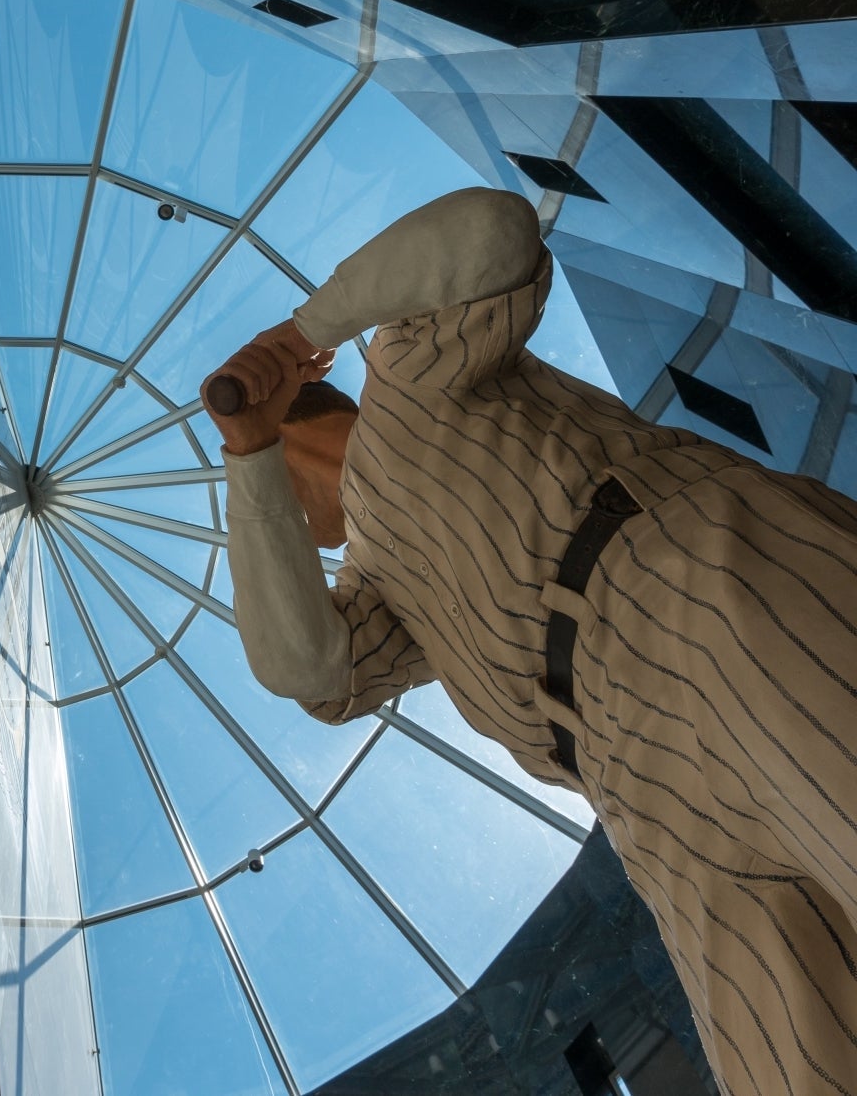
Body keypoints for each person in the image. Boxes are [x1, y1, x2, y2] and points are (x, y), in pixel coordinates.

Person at [205, 188, 857, 1096]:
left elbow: (495, 232)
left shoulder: (408, 373)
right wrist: (244, 455)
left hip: (691, 579)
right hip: (636, 796)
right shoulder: (380, 595)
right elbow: (300, 666)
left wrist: (300, 331)